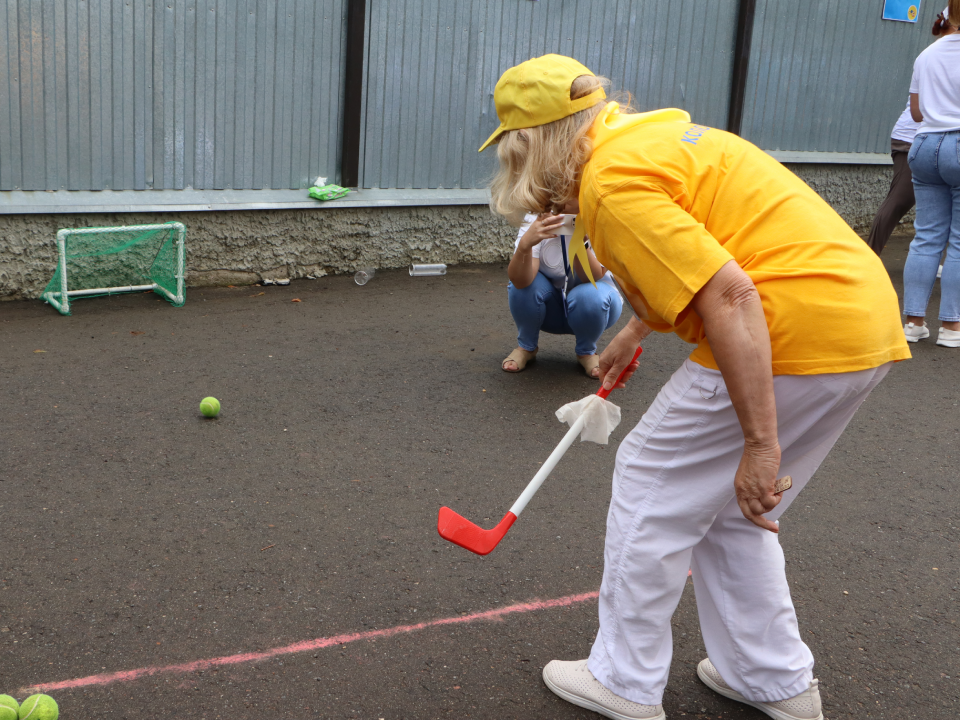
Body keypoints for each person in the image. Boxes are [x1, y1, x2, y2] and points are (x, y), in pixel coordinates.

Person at [479, 54, 910, 720]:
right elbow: (706, 250)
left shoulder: (611, 183)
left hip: (787, 330)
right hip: (857, 327)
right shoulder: (648, 142)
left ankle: (622, 680)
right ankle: (773, 680)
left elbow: (732, 293)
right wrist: (636, 330)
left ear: (537, 145)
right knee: (731, 510)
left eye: (516, 157)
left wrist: (761, 442)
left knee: (650, 479)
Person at [866, 7, 956, 256]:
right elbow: (918, 112)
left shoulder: (938, 53)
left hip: (934, 138)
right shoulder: (935, 54)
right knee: (900, 200)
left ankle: (944, 261)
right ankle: (867, 258)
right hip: (913, 139)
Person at [502, 212, 623, 376]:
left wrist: (581, 241)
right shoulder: (538, 216)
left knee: (590, 295)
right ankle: (526, 347)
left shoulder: (599, 216)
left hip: (596, 308)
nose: (559, 201)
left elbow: (592, 277)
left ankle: (586, 351)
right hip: (549, 311)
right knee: (522, 284)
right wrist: (525, 245)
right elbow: (520, 282)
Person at [903, 0, 960, 347]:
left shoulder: (927, 53)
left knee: (925, 238)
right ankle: (951, 328)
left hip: (925, 146)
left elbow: (915, 111)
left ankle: (913, 323)